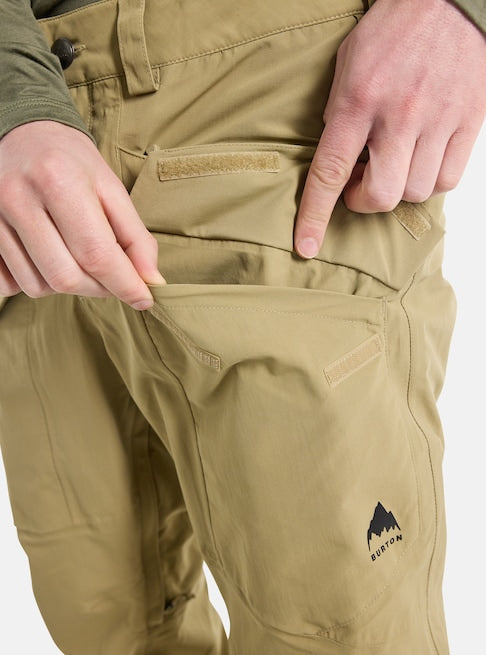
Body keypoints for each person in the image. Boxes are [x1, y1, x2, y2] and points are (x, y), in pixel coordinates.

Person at [0, 0, 484, 653]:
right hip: (28, 158)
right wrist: (14, 98)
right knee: (108, 622)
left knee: (335, 628)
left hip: (267, 90)